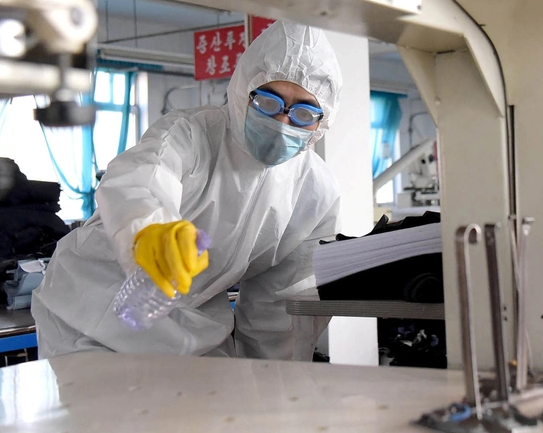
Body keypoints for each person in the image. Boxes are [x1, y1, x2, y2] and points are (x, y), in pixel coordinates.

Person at [32, 20, 343, 360]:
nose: (282, 123)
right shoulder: (191, 134)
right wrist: (149, 229)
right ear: (244, 92)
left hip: (195, 329)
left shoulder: (314, 192)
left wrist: (275, 384)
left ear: (322, 120)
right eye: (269, 102)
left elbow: (281, 302)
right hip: (93, 310)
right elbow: (140, 180)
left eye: (302, 113)